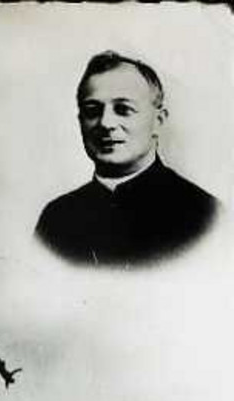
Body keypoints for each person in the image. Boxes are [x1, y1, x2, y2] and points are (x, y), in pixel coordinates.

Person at [35, 52, 219, 267]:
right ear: (80, 121)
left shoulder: (204, 215)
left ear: (158, 121)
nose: (105, 123)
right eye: (92, 111)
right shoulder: (57, 218)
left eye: (123, 109)